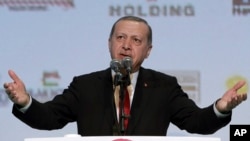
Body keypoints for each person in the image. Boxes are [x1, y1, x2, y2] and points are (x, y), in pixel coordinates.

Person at [3, 16, 247, 136]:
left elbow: (196, 122)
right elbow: (49, 118)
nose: (126, 45)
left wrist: (220, 108)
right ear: (109, 43)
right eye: (120, 38)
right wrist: (25, 102)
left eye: (136, 40)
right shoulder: (85, 85)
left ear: (148, 51)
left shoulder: (164, 87)